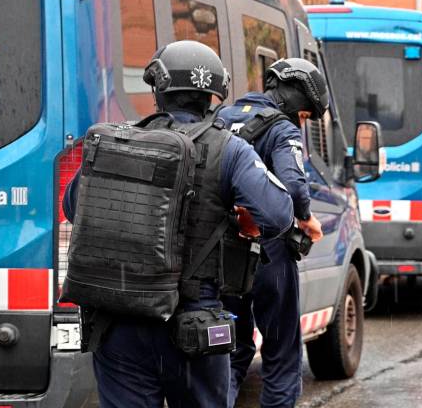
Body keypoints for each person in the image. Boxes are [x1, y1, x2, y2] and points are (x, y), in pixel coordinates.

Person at [62, 41, 294, 408]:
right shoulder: (229, 149)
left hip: (119, 322)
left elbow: (74, 207)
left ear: (158, 91)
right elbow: (280, 214)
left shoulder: (115, 141)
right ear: (213, 96)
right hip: (194, 324)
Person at [218, 58, 327, 408]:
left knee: (228, 351)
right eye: (306, 115)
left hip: (218, 255)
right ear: (295, 100)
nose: (303, 121)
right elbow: (294, 187)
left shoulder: (219, 118)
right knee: (281, 352)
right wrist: (307, 218)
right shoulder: (282, 129)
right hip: (268, 255)